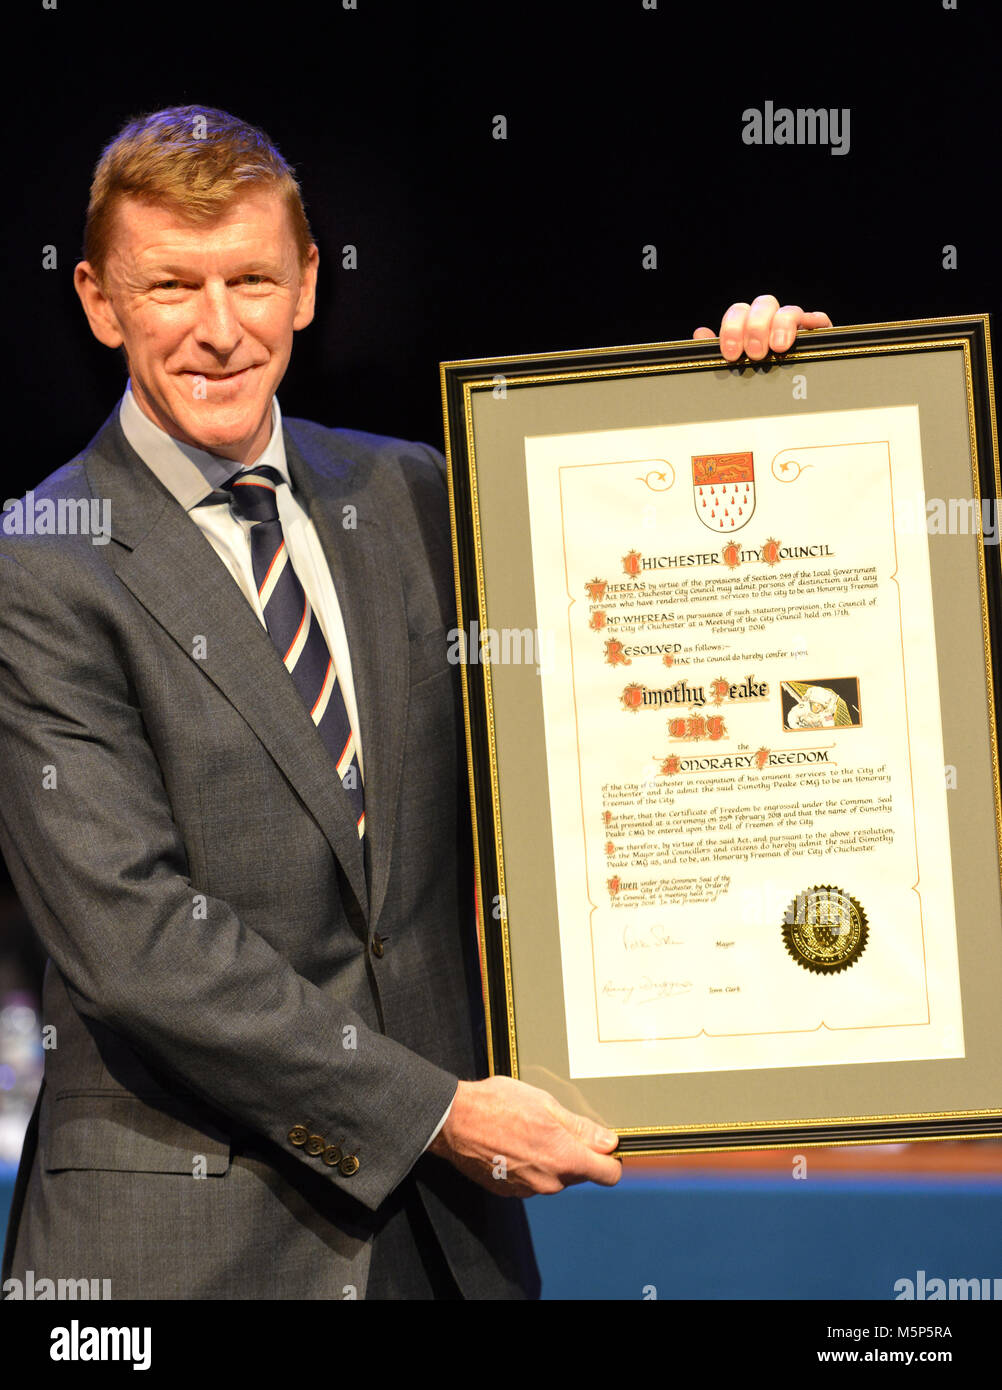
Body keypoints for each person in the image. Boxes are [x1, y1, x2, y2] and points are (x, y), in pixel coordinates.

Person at [0, 105, 831, 1300]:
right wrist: (436, 1111)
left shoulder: (412, 494)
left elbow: (659, 641)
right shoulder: (44, 561)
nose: (221, 330)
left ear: (307, 287)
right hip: (183, 1251)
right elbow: (136, 944)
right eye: (173, 286)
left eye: (251, 279)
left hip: (442, 1251)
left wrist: (777, 407)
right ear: (98, 300)